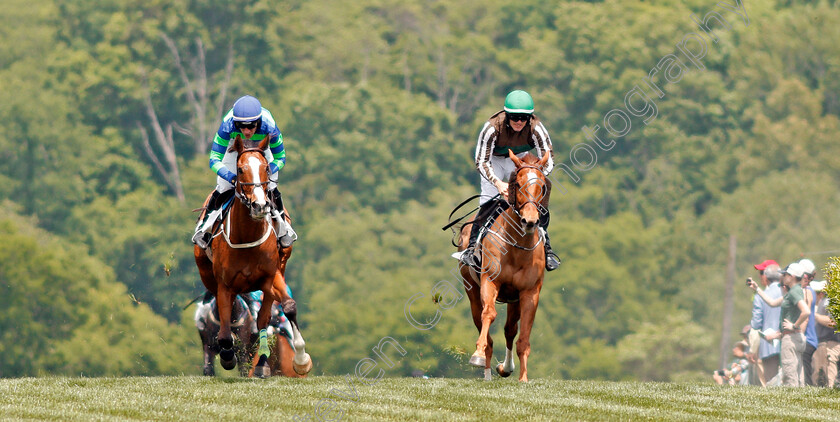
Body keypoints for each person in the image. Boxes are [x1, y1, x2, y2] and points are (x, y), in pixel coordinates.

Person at [459, 90, 560, 271]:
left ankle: (547, 250)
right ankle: (472, 248)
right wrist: (498, 183)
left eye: (523, 117)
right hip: (494, 161)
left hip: (521, 160)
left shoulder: (536, 127)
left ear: (529, 117)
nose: (519, 122)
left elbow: (549, 158)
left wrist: (534, 173)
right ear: (506, 115)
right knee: (489, 200)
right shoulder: (491, 128)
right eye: (514, 117)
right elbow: (481, 161)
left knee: (537, 200)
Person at [192, 95, 296, 249]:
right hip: (234, 149)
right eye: (242, 126)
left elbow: (280, 158)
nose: (246, 131)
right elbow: (214, 159)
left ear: (259, 123)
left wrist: (267, 172)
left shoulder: (270, 127)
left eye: (251, 126)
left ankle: (284, 229)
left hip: (262, 150)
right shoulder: (227, 125)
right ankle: (203, 229)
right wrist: (231, 178)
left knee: (271, 188)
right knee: (223, 188)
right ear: (235, 123)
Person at [749, 262, 811, 386]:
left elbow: (806, 311)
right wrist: (757, 289)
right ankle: (801, 399)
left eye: (785, 275)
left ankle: (792, 400)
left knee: (790, 374)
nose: (783, 277)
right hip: (795, 337)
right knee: (798, 374)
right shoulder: (794, 291)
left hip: (791, 338)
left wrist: (794, 325)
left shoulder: (794, 292)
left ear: (792, 276)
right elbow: (771, 302)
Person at [748, 259, 782, 387]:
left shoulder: (760, 296)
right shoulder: (787, 292)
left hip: (768, 345)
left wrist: (753, 348)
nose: (760, 276)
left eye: (761, 273)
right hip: (786, 339)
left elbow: (756, 324)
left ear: (767, 276)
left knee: (771, 382)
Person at [812, 280, 840, 387]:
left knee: (830, 376)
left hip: (831, 343)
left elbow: (832, 322)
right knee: (819, 376)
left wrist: (815, 315)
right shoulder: (826, 298)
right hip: (823, 343)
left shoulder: (834, 299)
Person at [799, 258, 819, 386]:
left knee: (805, 377)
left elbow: (805, 318)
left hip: (807, 339)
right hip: (809, 340)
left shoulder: (806, 292)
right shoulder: (809, 291)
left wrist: (798, 336)